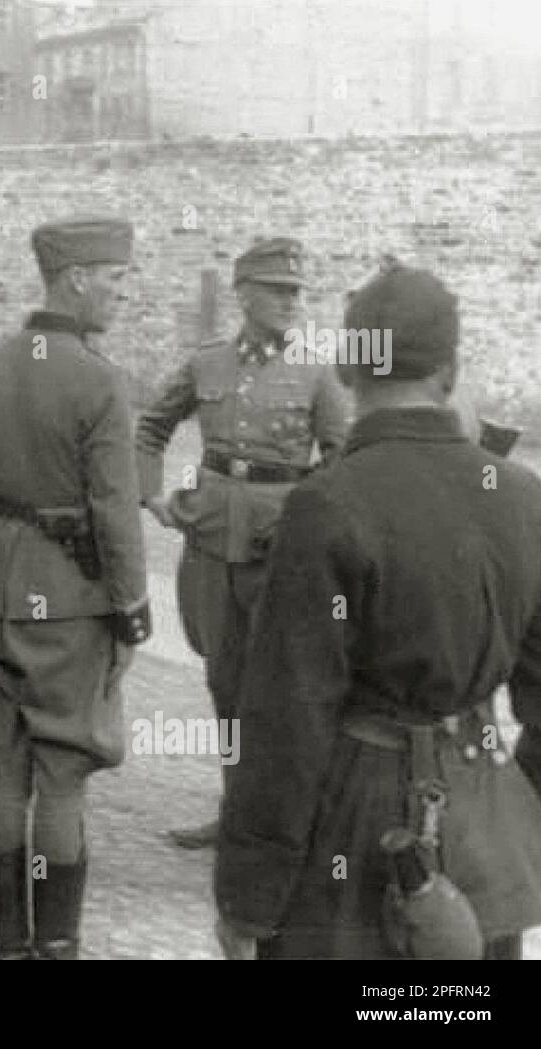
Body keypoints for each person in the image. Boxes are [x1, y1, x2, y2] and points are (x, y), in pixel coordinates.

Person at [215, 263, 541, 960]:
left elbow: (285, 716)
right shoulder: (520, 495)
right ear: (450, 373)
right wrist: (515, 811)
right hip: (480, 814)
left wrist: (249, 897)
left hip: (352, 820)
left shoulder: (326, 502)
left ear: (347, 368)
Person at [0, 217, 151, 960]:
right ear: (76, 280)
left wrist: (1, 558)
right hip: (75, 605)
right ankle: (56, 948)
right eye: (117, 277)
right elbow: (115, 513)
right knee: (62, 781)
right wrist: (131, 610)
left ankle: (7, 947)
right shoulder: (100, 381)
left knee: (3, 773)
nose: (125, 292)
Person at [134, 237, 350, 849]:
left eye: (295, 292)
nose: (290, 302)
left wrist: (308, 526)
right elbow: (150, 427)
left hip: (278, 551)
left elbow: (340, 459)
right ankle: (234, 811)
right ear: (244, 295)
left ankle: (281, 823)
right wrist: (150, 495)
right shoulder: (207, 364)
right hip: (208, 545)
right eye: (277, 290)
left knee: (280, 686)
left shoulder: (316, 368)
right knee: (224, 681)